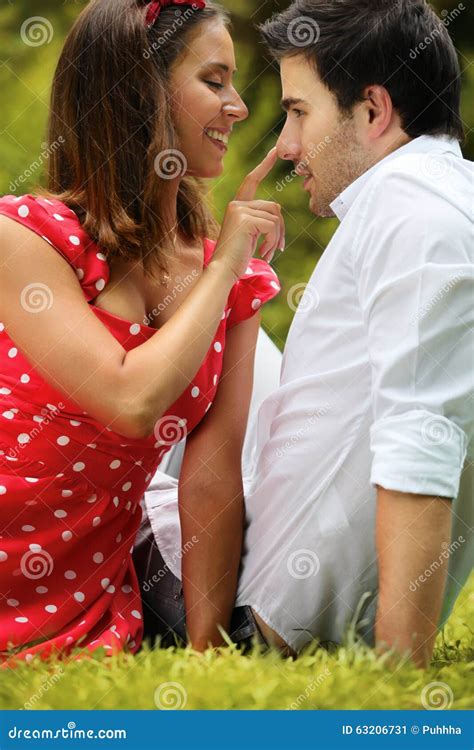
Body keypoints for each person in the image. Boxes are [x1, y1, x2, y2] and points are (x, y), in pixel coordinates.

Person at [142, 0, 473, 667]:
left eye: (298, 112)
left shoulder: (414, 217)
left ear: (374, 111)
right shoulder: (440, 198)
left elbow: (420, 436)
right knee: (215, 319)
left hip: (244, 611)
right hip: (270, 565)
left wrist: (396, 675)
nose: (286, 147)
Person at [0, 0, 284, 664]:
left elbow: (211, 473)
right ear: (141, 92)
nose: (238, 105)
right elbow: (131, 404)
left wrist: (207, 653)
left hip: (87, 581)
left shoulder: (226, 273)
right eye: (214, 82)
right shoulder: (27, 237)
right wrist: (224, 268)